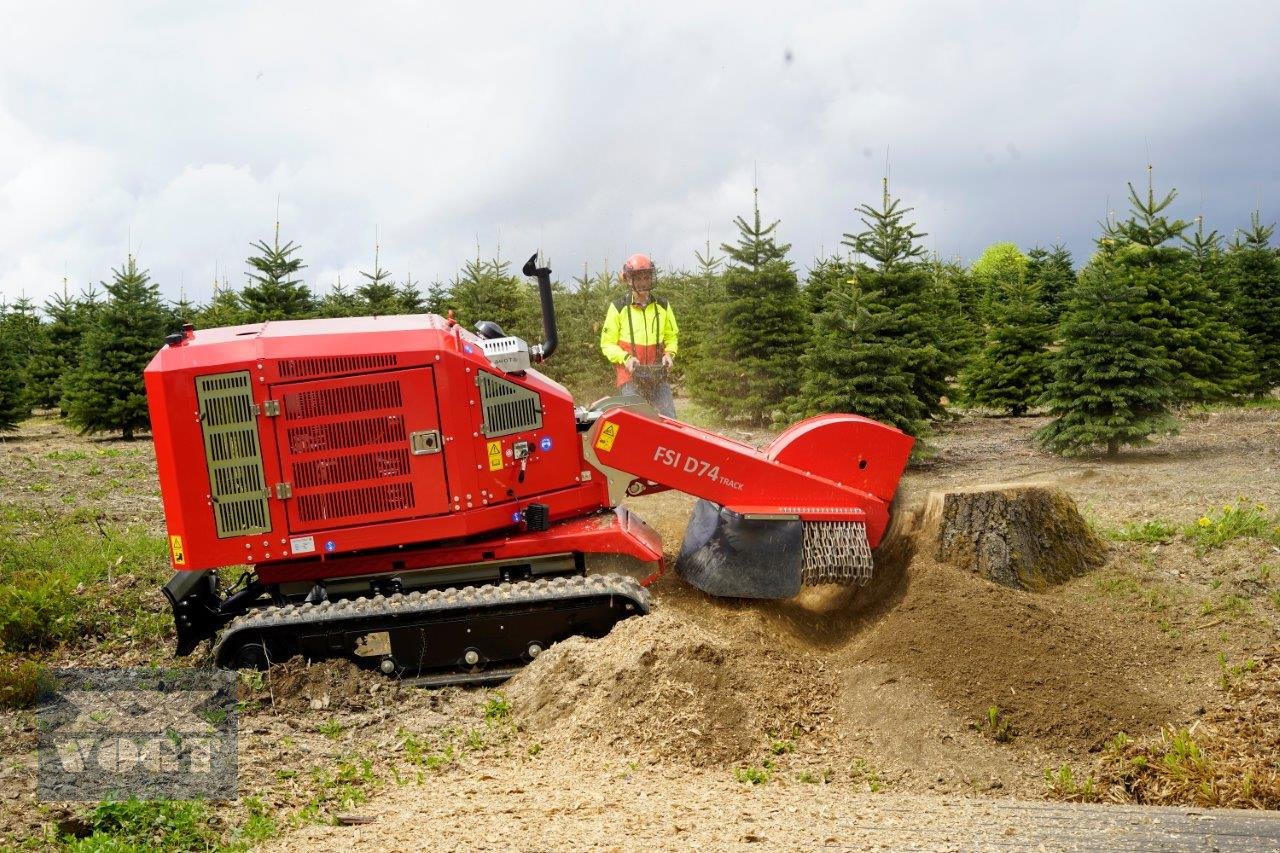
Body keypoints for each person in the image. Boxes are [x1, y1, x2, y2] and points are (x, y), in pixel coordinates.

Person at [599, 253, 679, 418]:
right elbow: (607, 344)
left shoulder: (663, 306)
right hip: (630, 376)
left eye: (647, 277)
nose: (643, 282)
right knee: (637, 420)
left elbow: (672, 336)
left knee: (668, 417)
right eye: (639, 278)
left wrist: (669, 354)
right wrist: (626, 358)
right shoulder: (618, 307)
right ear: (629, 280)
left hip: (657, 374)